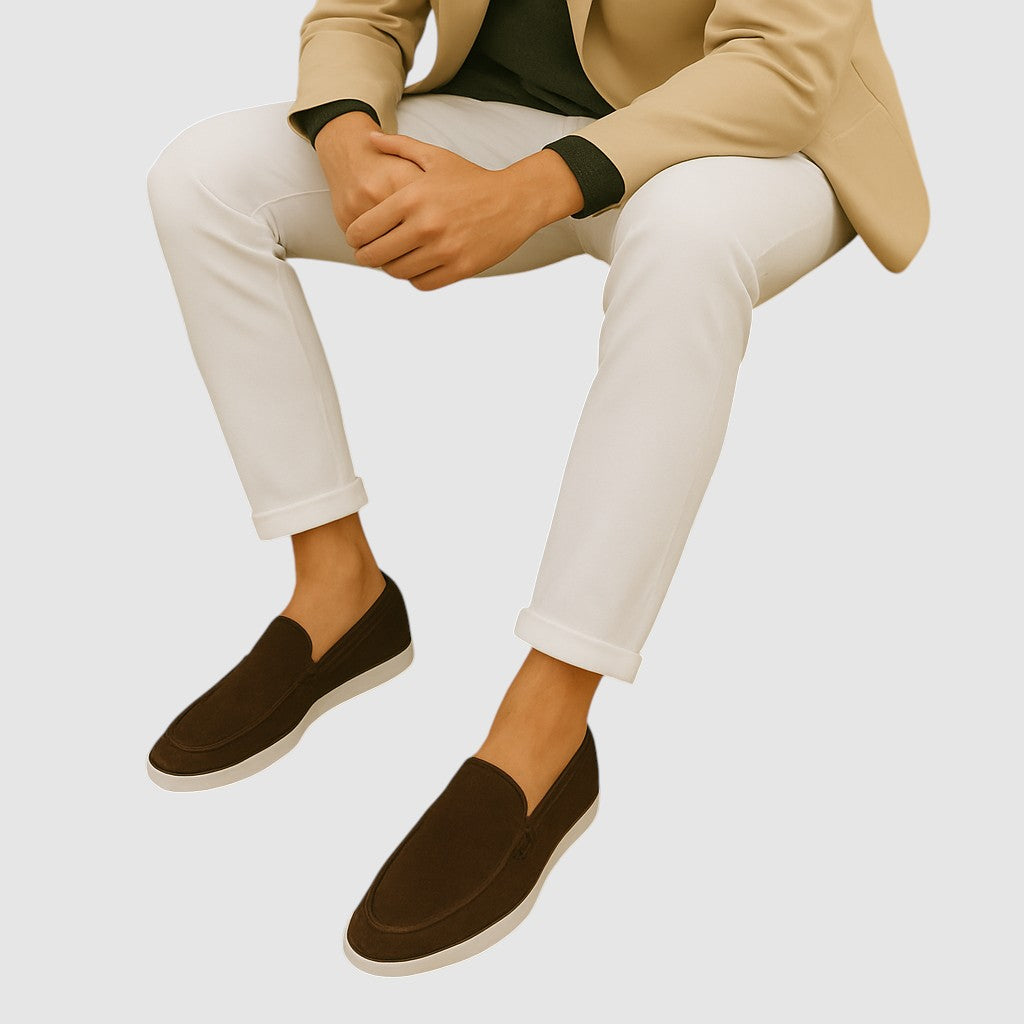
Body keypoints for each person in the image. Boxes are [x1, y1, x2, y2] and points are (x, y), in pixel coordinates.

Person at [144, 0, 929, 974]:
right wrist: (348, 136)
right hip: (511, 123)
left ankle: (547, 724)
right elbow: (361, 15)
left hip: (748, 138)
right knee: (202, 177)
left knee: (686, 240)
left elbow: (780, 64)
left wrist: (529, 191)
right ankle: (338, 591)